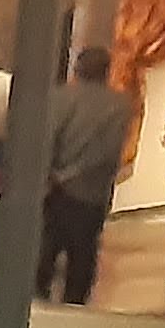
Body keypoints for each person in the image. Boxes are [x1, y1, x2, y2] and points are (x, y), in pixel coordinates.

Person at [38, 46, 127, 304]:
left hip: (54, 191)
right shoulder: (119, 105)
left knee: (44, 255)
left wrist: (51, 176)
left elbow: (46, 141)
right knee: (82, 259)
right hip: (92, 193)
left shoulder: (60, 97)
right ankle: (73, 310)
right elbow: (109, 152)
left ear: (77, 69)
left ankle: (38, 306)